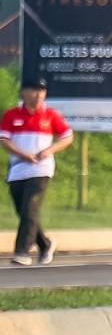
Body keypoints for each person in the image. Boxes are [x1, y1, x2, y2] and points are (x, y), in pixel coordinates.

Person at [5, 80, 71, 267]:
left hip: (41, 169)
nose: (39, 95)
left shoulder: (51, 115)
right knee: (24, 211)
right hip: (18, 169)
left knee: (30, 208)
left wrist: (50, 150)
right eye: (34, 90)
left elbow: (67, 136)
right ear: (24, 93)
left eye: (42, 91)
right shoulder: (12, 115)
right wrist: (22, 154)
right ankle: (45, 244)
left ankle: (22, 252)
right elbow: (4, 140)